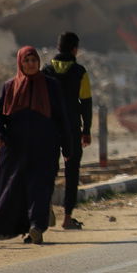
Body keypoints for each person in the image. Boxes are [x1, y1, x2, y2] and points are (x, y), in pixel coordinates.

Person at [0, 46, 72, 244]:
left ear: (39, 62)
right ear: (20, 63)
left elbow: (62, 118)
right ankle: (25, 228)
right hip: (15, 148)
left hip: (45, 146)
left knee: (40, 186)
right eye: (26, 61)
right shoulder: (10, 86)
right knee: (15, 189)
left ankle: (37, 226)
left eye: (33, 60)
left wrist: (67, 147)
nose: (30, 64)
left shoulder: (51, 85)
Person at [47, 31, 93, 230]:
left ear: (58, 47)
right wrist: (87, 130)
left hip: (49, 128)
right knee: (72, 172)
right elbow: (86, 103)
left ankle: (45, 209)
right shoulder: (80, 71)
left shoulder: (45, 70)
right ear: (75, 49)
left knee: (48, 170)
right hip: (72, 129)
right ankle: (67, 218)